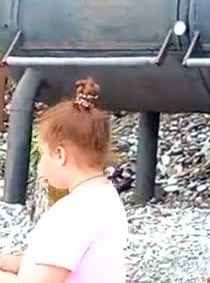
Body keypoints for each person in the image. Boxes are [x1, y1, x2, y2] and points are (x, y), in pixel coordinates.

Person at [0, 79, 127, 283]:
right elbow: (45, 265)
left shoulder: (74, 214)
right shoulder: (103, 198)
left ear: (59, 155)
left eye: (42, 154)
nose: (40, 166)